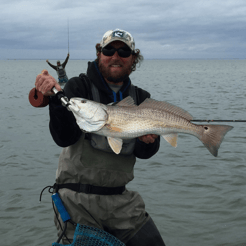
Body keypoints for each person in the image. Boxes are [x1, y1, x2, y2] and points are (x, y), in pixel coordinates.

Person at [35, 29, 165, 246]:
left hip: (122, 201)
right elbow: (63, 138)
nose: (115, 56)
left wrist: (149, 141)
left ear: (133, 59)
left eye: (124, 51)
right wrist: (56, 102)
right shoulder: (79, 87)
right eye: (109, 50)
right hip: (77, 201)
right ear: (99, 54)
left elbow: (145, 153)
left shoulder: (142, 98)